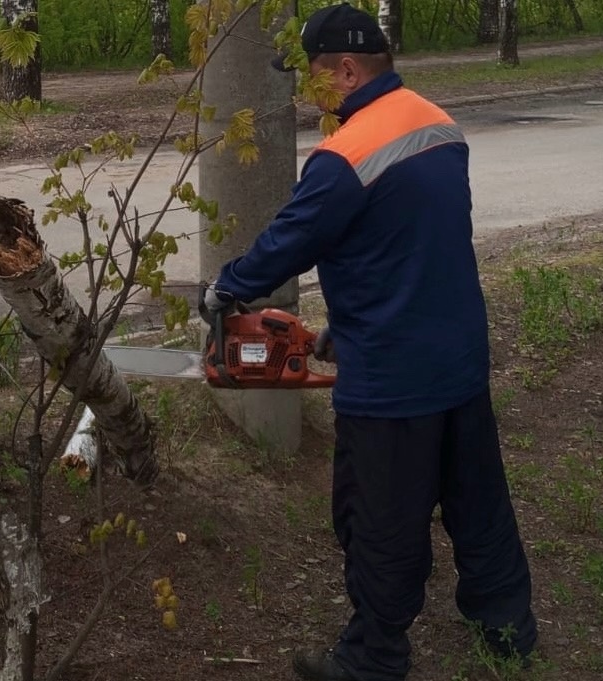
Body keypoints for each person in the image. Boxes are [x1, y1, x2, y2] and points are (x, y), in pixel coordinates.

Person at [201, 3, 538, 680]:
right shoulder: (440, 125)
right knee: (477, 500)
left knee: (377, 519)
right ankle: (508, 628)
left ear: (348, 71)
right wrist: (339, 329)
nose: (305, 95)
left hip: (392, 379)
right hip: (459, 356)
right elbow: (408, 250)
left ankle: (372, 656)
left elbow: (287, 243)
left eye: (314, 79)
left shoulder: (344, 156)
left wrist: (226, 289)